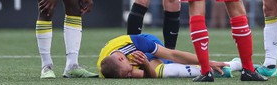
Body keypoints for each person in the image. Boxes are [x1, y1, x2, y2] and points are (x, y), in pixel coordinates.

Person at [97, 33, 242, 79]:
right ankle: (232, 66)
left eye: (128, 73)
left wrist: (208, 62)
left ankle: (228, 64)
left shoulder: (138, 43)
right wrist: (146, 66)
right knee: (156, 71)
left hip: (148, 44)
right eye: (127, 76)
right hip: (132, 58)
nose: (130, 76)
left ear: (122, 59)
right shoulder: (107, 71)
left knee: (161, 68)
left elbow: (173, 55)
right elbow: (149, 76)